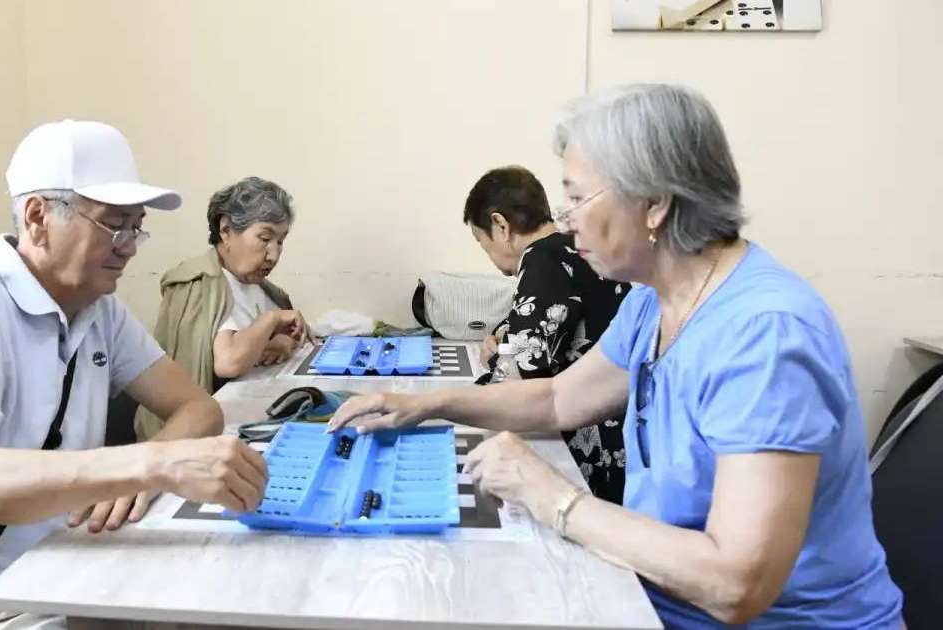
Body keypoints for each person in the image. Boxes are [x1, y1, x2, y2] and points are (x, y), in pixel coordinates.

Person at [328, 85, 904, 628]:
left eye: (578, 196)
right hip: (655, 602)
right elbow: (558, 397)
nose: (566, 216)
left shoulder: (767, 333)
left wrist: (554, 497)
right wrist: (424, 405)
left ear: (654, 204)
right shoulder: (654, 301)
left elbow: (736, 584)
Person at [0, 120, 268, 629]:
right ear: (37, 217)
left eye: (136, 226)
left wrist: (140, 476)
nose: (130, 245)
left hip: (53, 569)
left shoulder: (99, 311)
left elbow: (198, 407)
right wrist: (153, 463)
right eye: (114, 223)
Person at [465, 165, 630, 503]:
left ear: (501, 226)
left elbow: (518, 376)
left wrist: (497, 359)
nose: (491, 260)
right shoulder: (573, 247)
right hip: (627, 427)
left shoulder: (541, 260)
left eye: (482, 244)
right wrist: (504, 335)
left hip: (599, 444)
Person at [152, 177, 306, 392]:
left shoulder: (259, 286)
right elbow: (228, 363)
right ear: (226, 231)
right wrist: (271, 320)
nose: (274, 255)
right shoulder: (199, 285)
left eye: (280, 241)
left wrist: (281, 341)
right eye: (264, 238)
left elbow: (286, 336)